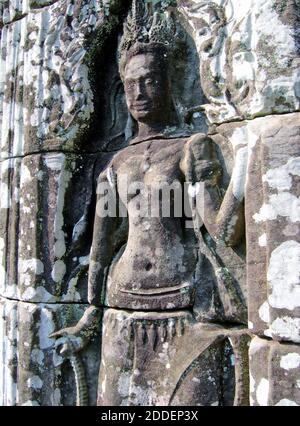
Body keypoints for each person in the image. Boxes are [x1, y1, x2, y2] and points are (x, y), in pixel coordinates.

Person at [50, 1, 246, 406]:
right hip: (121, 308)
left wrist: (244, 162)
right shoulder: (116, 163)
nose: (140, 92)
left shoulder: (192, 148)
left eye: (151, 80)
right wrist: (89, 318)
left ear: (171, 80)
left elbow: (223, 229)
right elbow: (101, 251)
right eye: (131, 83)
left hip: (182, 310)